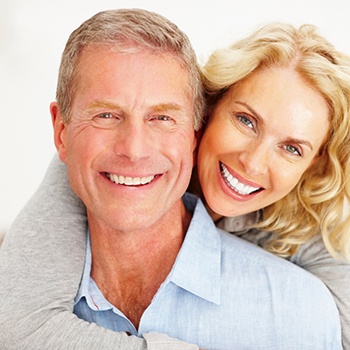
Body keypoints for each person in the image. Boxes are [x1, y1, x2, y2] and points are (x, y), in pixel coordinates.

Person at [0, 9, 343, 350]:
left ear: (314, 166)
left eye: (292, 148)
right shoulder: (84, 170)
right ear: (207, 111)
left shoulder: (315, 254)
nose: (252, 163)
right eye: (246, 120)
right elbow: (17, 321)